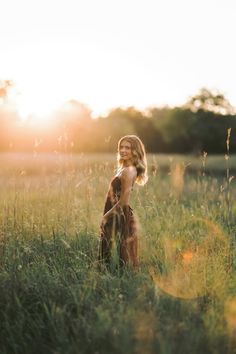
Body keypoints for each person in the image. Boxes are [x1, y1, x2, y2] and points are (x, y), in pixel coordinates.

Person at [99, 135, 148, 268]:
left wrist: (105, 216)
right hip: (116, 213)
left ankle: (122, 282)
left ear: (135, 151)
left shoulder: (129, 170)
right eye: (121, 147)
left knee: (125, 259)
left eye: (128, 147)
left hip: (119, 214)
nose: (123, 150)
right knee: (107, 250)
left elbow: (124, 202)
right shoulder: (124, 168)